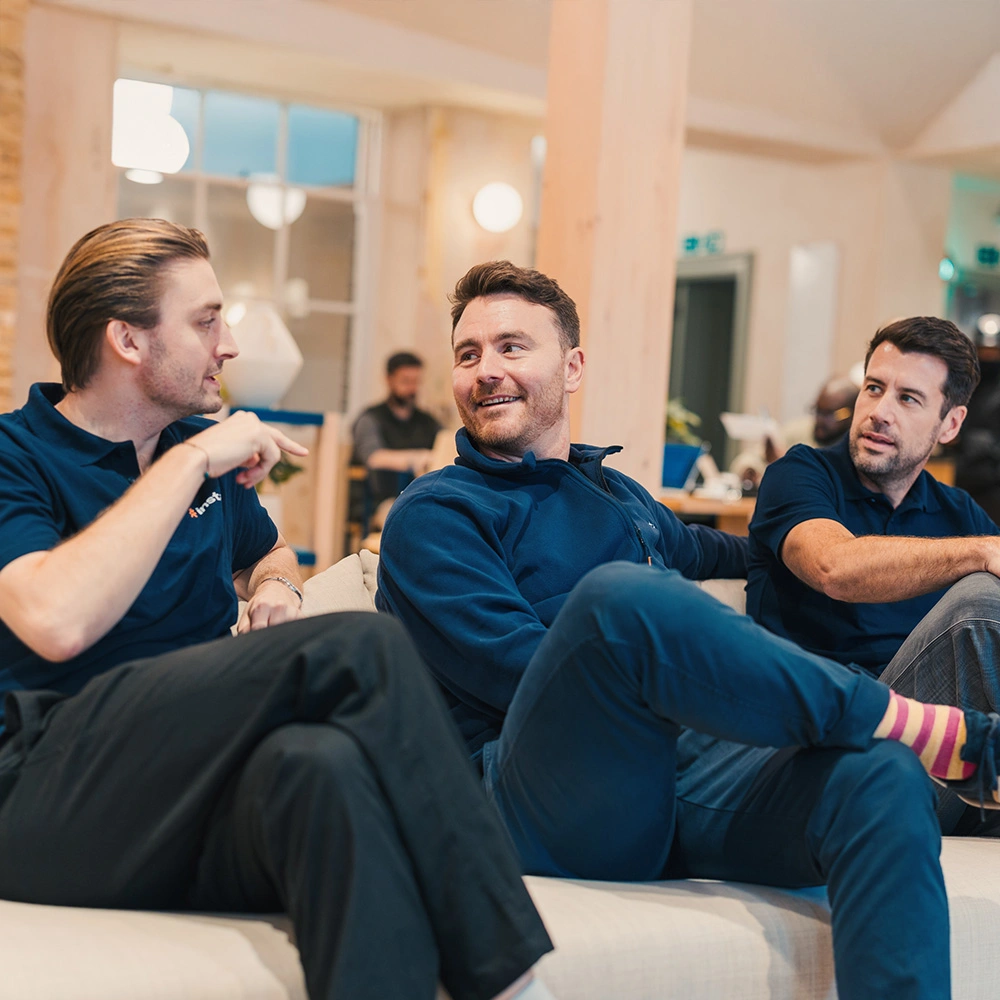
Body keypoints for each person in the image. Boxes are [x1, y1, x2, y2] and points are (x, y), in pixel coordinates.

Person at [376, 260, 1000, 1000]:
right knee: (621, 602)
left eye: (512, 347)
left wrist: (807, 534)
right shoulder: (438, 513)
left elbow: (738, 552)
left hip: (680, 776)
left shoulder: (618, 497)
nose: (487, 370)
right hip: (539, 791)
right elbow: (524, 669)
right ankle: (929, 728)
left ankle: (901, 743)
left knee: (883, 778)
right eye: (468, 353)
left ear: (572, 366)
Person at [0, 221, 556, 1000]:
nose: (227, 344)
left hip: (180, 789)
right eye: (205, 321)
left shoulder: (196, 449)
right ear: (127, 338)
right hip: (43, 795)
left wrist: (273, 588)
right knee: (363, 648)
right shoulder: (17, 454)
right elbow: (54, 619)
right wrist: (195, 459)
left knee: (320, 769)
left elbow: (268, 550)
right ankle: (514, 978)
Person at [746, 316, 1000, 835]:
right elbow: (834, 568)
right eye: (874, 388)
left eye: (908, 399)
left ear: (950, 425)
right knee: (978, 603)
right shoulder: (800, 475)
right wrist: (978, 553)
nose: (879, 412)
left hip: (939, 768)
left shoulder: (957, 513)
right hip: (825, 747)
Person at [351, 351, 442, 520]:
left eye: (416, 382)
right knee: (409, 516)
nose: (412, 388)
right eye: (405, 381)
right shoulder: (371, 419)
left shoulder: (427, 422)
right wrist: (416, 458)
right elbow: (373, 457)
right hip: (379, 501)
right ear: (389, 379)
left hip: (422, 497)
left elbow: (443, 449)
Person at [730, 375, 858, 488]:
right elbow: (749, 458)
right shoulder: (799, 430)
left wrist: (785, 464)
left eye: (828, 414)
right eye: (817, 410)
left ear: (851, 413)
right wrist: (750, 470)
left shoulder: (857, 447)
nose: (819, 420)